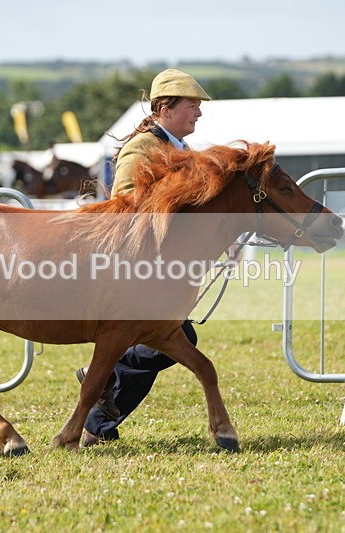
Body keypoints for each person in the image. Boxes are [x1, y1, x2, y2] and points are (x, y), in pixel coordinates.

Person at [76, 68, 212, 447]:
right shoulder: (142, 148)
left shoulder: (184, 150)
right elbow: (129, 208)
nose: (198, 113)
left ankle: (97, 401)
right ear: (164, 108)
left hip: (160, 268)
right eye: (192, 105)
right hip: (134, 267)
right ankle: (96, 407)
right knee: (174, 337)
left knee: (171, 338)